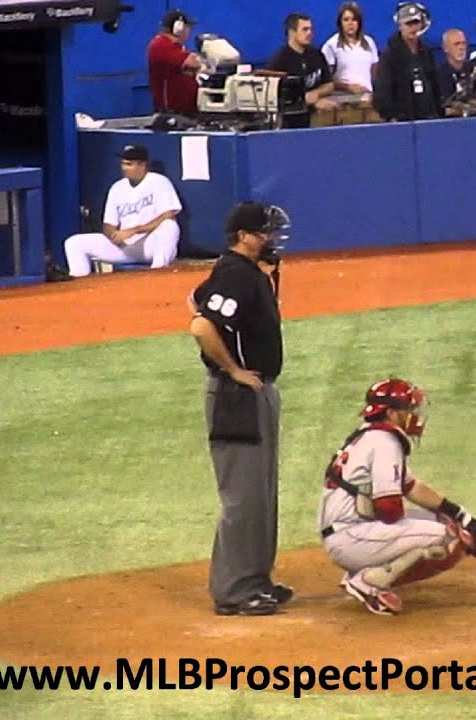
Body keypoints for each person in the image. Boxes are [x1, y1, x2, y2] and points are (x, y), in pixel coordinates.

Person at [320, 378, 476, 615]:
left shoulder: (371, 436)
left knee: (446, 522)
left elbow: (412, 487)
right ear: (390, 412)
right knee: (450, 536)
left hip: (350, 532)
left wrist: (463, 516)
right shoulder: (385, 443)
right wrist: (462, 532)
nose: (413, 414)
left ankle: (363, 572)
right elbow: (389, 509)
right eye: (408, 409)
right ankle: (369, 583)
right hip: (352, 538)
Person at [188, 201, 293, 616]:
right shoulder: (236, 274)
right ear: (244, 236)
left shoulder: (245, 274)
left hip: (256, 394)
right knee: (243, 496)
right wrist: (232, 370)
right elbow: (200, 323)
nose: (271, 238)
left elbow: (195, 300)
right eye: (264, 231)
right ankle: (233, 589)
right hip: (237, 398)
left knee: (260, 495)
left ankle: (255, 580)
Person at [62, 144, 181, 277]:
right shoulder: (117, 188)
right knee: (74, 242)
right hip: (125, 247)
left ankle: (157, 274)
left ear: (142, 165)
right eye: (123, 164)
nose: (124, 168)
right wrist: (114, 235)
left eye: (129, 164)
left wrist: (134, 230)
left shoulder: (159, 182)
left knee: (169, 226)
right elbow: (108, 224)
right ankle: (80, 282)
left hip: (151, 244)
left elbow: (168, 214)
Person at [372, 2, 442, 121]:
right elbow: (383, 92)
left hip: (428, 118)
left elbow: (434, 86)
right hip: (402, 120)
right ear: (400, 26)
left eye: (415, 23)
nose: (413, 28)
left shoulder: (427, 53)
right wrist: (392, 116)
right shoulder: (390, 56)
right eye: (408, 24)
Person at [267, 13, 337, 129]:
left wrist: (317, 93)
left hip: (316, 121)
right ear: (292, 32)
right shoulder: (279, 60)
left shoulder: (317, 55)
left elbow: (329, 84)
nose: (309, 33)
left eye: (310, 29)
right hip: (289, 124)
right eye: (305, 29)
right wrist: (306, 101)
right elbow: (273, 96)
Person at [147, 8, 203, 116]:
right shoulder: (161, 45)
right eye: (187, 27)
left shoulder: (176, 47)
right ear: (179, 28)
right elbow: (193, 63)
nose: (189, 31)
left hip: (185, 112)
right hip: (172, 113)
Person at [321, 1, 379, 94]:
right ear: (340, 22)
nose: (350, 23)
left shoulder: (369, 42)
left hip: (367, 98)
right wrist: (348, 87)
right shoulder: (331, 45)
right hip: (341, 98)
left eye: (354, 19)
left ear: (359, 22)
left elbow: (374, 72)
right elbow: (326, 81)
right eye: (346, 19)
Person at [434, 28, 471, 106]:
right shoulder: (438, 74)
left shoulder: (474, 70)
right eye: (456, 44)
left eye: (463, 43)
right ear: (445, 48)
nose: (461, 48)